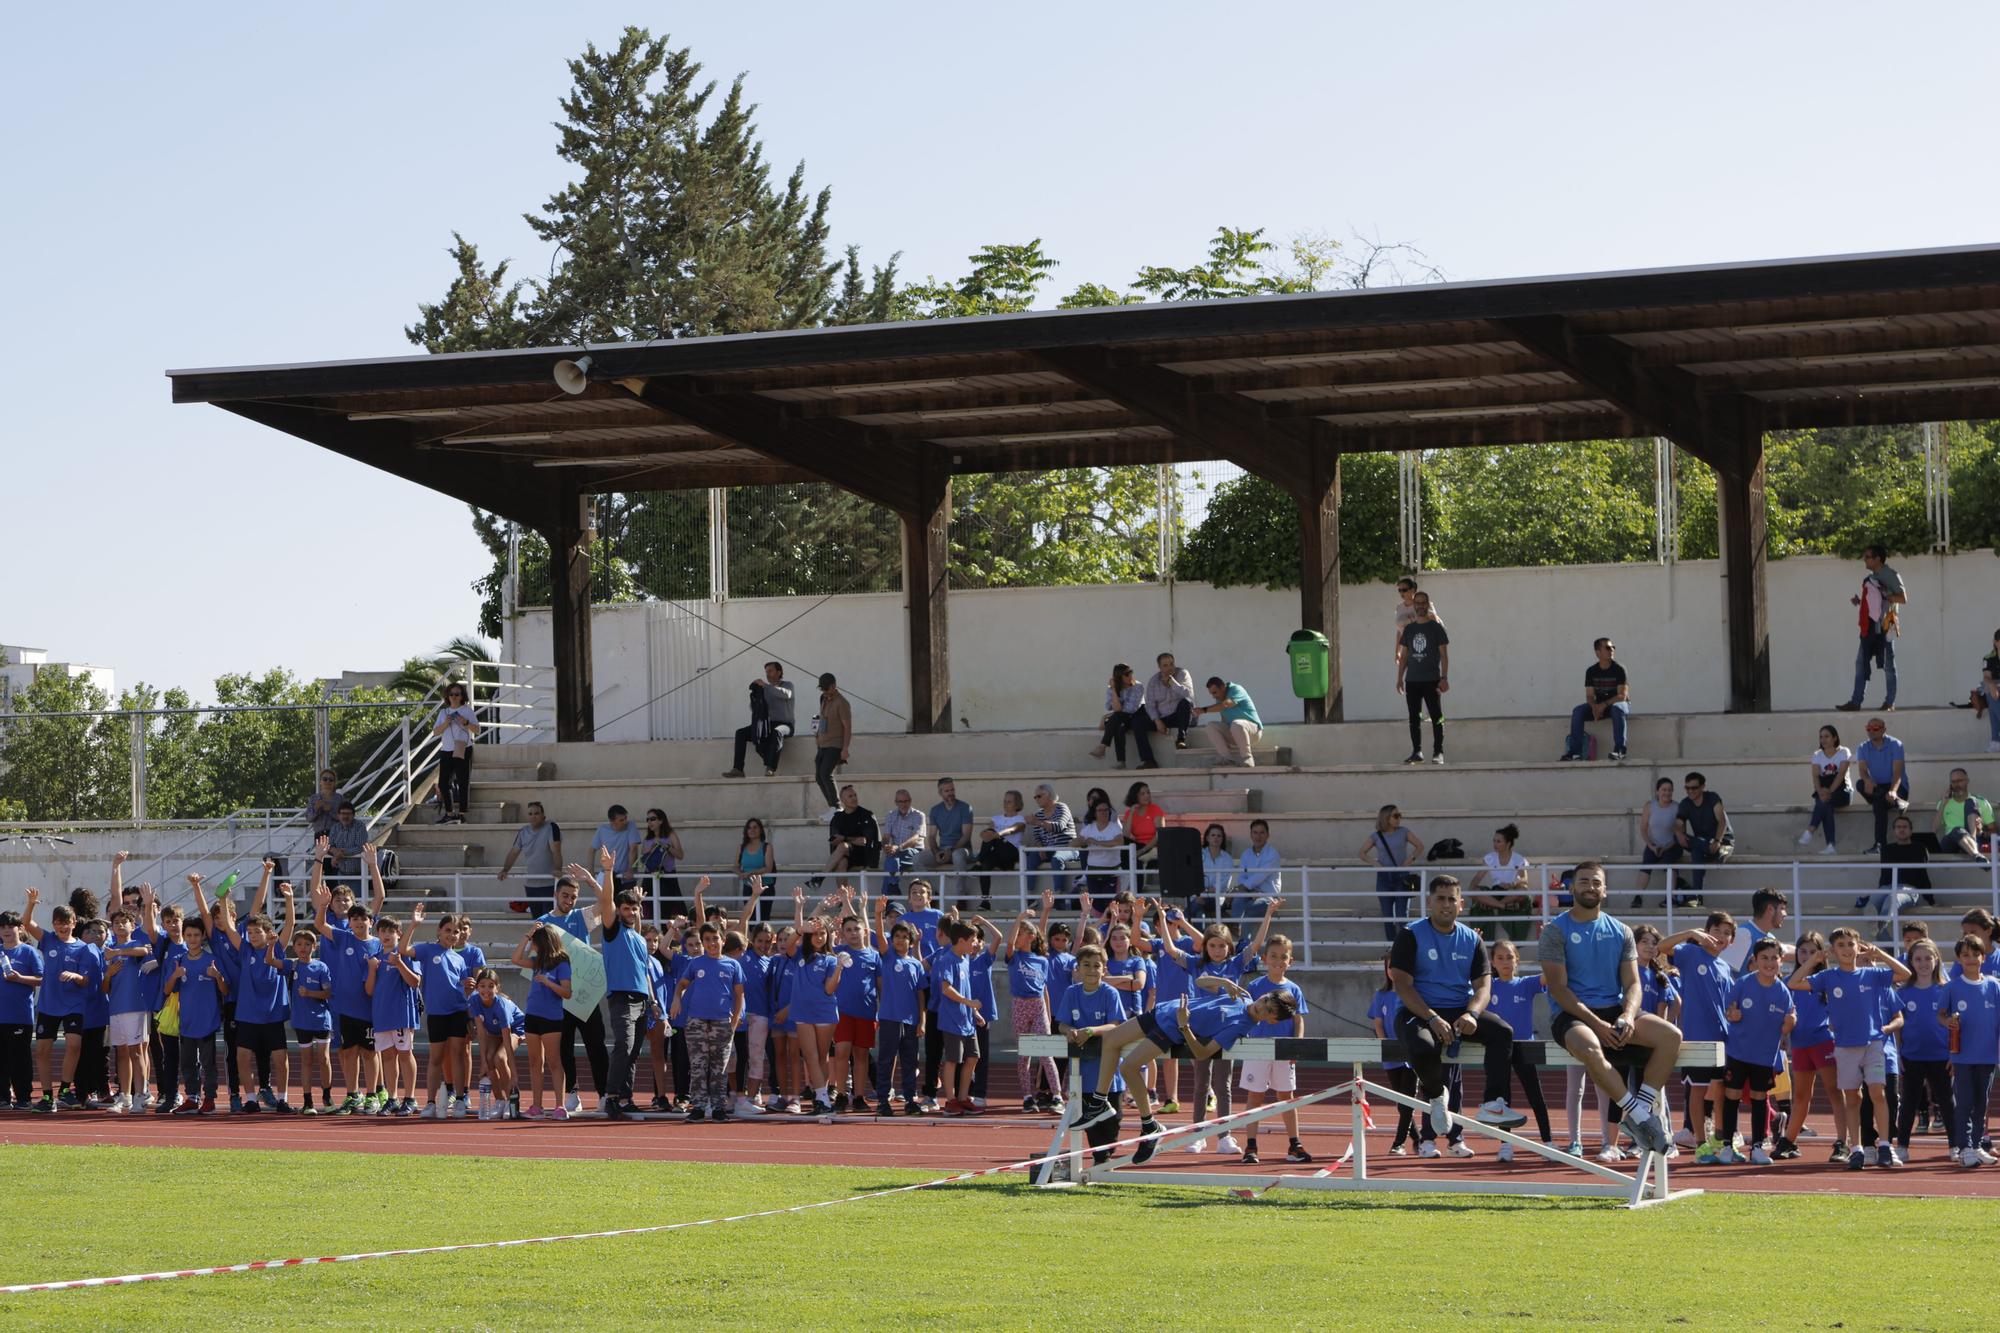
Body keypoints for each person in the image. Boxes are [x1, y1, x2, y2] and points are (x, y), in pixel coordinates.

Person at [1068, 977, 1296, 1164]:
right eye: (1265, 1000)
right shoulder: (1242, 995)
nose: (1261, 1006)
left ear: (1272, 1020)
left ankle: (1150, 1126)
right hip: (1163, 1012)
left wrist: (1184, 1026)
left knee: (1129, 1068)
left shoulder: (1240, 1027)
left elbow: (1203, 1053)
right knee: (1110, 1040)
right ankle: (1099, 1102)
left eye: (1268, 1010)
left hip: (1170, 1029)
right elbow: (1200, 981)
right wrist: (1223, 981)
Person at [1538, 861, 1681, 1157]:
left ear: (1605, 890)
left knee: (1671, 1036)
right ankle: (1641, 1118)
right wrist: (1597, 1025)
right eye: (1584, 881)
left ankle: (1639, 1114)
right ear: (1572, 887)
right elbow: (1558, 989)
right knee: (1591, 1048)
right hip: (1572, 1015)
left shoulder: (1620, 931)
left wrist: (1627, 1015)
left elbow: (1633, 984)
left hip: (1614, 1009)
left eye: (1596, 882)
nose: (1590, 886)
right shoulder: (1555, 931)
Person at [1388, 875, 1527, 1155]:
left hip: (1459, 1009)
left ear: (1461, 904)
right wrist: (1431, 1017)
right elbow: (1401, 983)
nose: (1446, 904)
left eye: (1452, 899)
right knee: (1423, 1046)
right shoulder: (1410, 934)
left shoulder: (1471, 939)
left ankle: (1492, 1104)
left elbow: (1483, 986)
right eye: (1440, 898)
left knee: (1503, 1033)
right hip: (1417, 1009)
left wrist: (1473, 1014)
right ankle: (1438, 1096)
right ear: (1429, 902)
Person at [1788, 927, 1913, 1169]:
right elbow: (1794, 982)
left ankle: (1885, 1145)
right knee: (1852, 1097)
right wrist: (1814, 960)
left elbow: (1905, 973)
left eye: (1850, 944)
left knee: (1877, 1092)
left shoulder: (1872, 974)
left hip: (1873, 1044)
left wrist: (1881, 954)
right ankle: (1855, 1148)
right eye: (1841, 945)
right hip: (1845, 1047)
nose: (1846, 949)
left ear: (1859, 946)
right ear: (1833, 951)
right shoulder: (1828, 977)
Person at [582, 846, 650, 1120]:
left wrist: (653, 1002)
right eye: (626, 908)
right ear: (618, 911)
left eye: (634, 908)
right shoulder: (613, 930)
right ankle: (611, 1098)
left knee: (633, 1051)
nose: (631, 912)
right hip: (621, 997)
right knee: (623, 1045)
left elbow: (644, 968)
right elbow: (608, 900)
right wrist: (608, 871)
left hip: (643, 999)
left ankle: (626, 1097)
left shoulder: (639, 936)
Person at [1662, 912, 1735, 1159]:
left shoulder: (1725, 967)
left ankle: (1721, 1140)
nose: (1721, 937)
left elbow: (1729, 1005)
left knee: (1722, 1091)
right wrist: (1690, 934)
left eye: (1727, 933)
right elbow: (1663, 947)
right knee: (1697, 1091)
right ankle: (1700, 1142)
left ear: (1731, 941)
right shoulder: (1691, 954)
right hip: (1696, 1037)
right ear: (1706, 932)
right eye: (1716, 930)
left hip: (1722, 1040)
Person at [20, 889, 97, 1112]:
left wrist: (75, 976)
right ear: (54, 924)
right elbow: (27, 923)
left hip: (73, 1005)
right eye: (58, 923)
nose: (62, 927)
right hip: (49, 1005)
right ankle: (46, 1097)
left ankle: (64, 1091)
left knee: (74, 1045)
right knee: (43, 1050)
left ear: (74, 923)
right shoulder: (49, 940)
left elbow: (85, 981)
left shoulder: (83, 949)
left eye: (67, 922)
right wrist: (31, 903)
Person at [1239, 933, 1313, 1165]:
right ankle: (1251, 1146)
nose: (1278, 961)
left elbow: (1299, 1019)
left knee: (1286, 1096)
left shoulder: (1294, 989)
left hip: (1283, 1049)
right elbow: (1247, 1014)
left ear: (1290, 961)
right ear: (1264, 958)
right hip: (1258, 1048)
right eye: (1273, 956)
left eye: (1284, 957)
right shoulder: (1255, 986)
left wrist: (1297, 1044)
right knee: (1255, 1095)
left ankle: (1294, 1144)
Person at [1719, 938, 1794, 1164]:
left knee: (1759, 1099)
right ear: (1755, 960)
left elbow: (1789, 1019)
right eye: (1764, 958)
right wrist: (1734, 1015)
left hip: (1764, 1056)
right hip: (1738, 1052)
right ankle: (1727, 1146)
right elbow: (1729, 1010)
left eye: (1774, 958)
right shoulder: (1743, 984)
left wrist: (1789, 1024)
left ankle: (1758, 1147)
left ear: (1781, 961)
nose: (1769, 962)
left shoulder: (1782, 992)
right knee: (1731, 1096)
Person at [537, 873, 604, 1114]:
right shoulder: (543, 922)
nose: (569, 900)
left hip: (586, 994)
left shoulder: (581, 916)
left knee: (595, 1044)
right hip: (558, 995)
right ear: (556, 895)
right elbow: (537, 957)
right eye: (565, 895)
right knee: (563, 1047)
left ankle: (603, 1093)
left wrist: (592, 881)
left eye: (574, 897)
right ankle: (572, 1092)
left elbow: (607, 904)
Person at [668, 922, 746, 1123]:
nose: (712, 943)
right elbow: (682, 985)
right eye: (707, 940)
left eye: (715, 938)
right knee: (698, 1066)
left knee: (719, 1068)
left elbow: (739, 996)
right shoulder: (695, 964)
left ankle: (718, 1107)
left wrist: (735, 1021)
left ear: (723, 939)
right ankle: (699, 1107)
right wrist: (677, 999)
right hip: (696, 1022)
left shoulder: (733, 965)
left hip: (722, 1022)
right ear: (703, 942)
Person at [1484, 938, 1552, 1160]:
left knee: (1536, 1096)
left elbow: (1550, 975)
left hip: (1524, 1047)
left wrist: (1551, 946)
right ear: (1492, 962)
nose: (1505, 962)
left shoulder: (1526, 984)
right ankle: (1506, 1145)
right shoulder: (1487, 987)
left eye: (1509, 957)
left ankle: (1548, 1143)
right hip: (1499, 1050)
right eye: (1500, 958)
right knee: (1502, 1099)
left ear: (1517, 961)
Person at [404, 903, 472, 1118]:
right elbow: (403, 950)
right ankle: (431, 1102)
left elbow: (463, 988)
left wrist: (468, 987)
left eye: (456, 931)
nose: (452, 934)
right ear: (439, 932)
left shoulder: (460, 959)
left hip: (458, 1012)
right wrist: (413, 924)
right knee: (435, 1059)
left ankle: (460, 1099)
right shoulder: (427, 949)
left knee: (458, 1056)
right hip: (436, 1014)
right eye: (448, 930)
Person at [1943, 935, 2000, 1167]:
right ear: (1959, 959)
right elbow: (1941, 1014)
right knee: (1964, 1103)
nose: (1971, 959)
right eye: (1965, 955)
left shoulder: (1994, 986)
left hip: (1987, 1055)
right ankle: (1964, 1147)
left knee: (1981, 1104)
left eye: (1975, 954)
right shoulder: (1952, 986)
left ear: (1983, 957)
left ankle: (1976, 1145)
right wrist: (1947, 1022)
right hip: (1963, 1056)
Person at [1893, 937, 1953, 1161]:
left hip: (1941, 1056)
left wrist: (1954, 1054)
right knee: (1909, 1102)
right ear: (1911, 962)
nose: (1923, 963)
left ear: (1937, 960)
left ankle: (1955, 1145)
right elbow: (1898, 1027)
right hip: (1912, 1056)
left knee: (1947, 1102)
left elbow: (1955, 1024)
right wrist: (1899, 1054)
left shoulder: (1946, 990)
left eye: (1928, 958)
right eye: (1918, 959)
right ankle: (1903, 1147)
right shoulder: (1903, 992)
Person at [1002, 908, 1063, 1114]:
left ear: (1030, 936)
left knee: (1046, 1053)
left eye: (1020, 933)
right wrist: (1018, 918)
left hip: (1038, 1006)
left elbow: (1044, 988)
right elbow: (1009, 944)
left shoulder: (1042, 960)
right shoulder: (1014, 957)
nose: (1017, 938)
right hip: (1020, 1004)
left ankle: (1057, 1096)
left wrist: (1048, 1011)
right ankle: (1028, 1097)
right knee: (1024, 1055)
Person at [163, 916, 225, 1115]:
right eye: (188, 935)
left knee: (208, 1063)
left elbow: (225, 990)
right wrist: (174, 975)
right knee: (188, 1062)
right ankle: (192, 1097)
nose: (192, 938)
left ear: (203, 936)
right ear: (184, 936)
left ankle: (210, 1099)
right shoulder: (178, 961)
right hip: (186, 1021)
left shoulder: (212, 961)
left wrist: (217, 976)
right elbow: (167, 990)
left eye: (196, 935)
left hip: (207, 1021)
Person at [511, 923, 573, 1120]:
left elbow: (567, 993)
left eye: (536, 942)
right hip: (533, 1015)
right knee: (535, 1062)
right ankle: (536, 1105)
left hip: (552, 1018)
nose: (533, 946)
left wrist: (548, 982)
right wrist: (528, 935)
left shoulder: (562, 962)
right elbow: (516, 958)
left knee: (554, 1062)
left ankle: (560, 1105)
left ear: (544, 942)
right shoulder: (537, 961)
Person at [363, 916, 422, 1116]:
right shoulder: (375, 957)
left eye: (391, 931)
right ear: (378, 934)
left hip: (401, 1013)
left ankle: (411, 1098)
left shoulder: (405, 954)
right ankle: (392, 1098)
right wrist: (371, 970)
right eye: (383, 931)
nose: (386, 935)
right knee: (388, 1056)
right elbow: (369, 990)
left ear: (399, 934)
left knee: (405, 1054)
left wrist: (399, 964)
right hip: (381, 1014)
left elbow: (415, 982)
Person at [1837, 544, 1906, 713]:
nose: (1865, 560)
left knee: (1888, 665)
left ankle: (1890, 702)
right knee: (1861, 662)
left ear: (1877, 559)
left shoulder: (1890, 575)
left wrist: (1885, 595)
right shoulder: (1872, 576)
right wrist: (1861, 602)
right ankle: (1855, 702)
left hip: (1886, 625)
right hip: (1870, 627)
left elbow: (1903, 598)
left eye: (1867, 557)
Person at [284, 925, 334, 1115]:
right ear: (294, 947)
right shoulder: (292, 965)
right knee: (306, 1060)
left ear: (314, 947)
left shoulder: (321, 967)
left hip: (321, 1020)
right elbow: (271, 961)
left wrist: (310, 993)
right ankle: (307, 1101)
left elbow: (328, 992)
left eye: (307, 944)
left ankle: (327, 1097)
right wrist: (272, 944)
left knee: (324, 1058)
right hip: (301, 1020)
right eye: (299, 944)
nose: (303, 947)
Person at [1395, 590, 1448, 765]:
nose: (1420, 606)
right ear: (1414, 605)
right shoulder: (1409, 629)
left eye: (1423, 602)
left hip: (1432, 680)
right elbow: (1404, 656)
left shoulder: (1436, 628)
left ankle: (1438, 752)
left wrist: (1444, 677)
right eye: (1417, 603)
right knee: (1414, 717)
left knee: (1436, 717)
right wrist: (1399, 678)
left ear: (1427, 604)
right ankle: (1417, 751)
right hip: (1412, 682)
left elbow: (1444, 655)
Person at [467, 967, 525, 1120]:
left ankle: (509, 1099)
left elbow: (506, 1040)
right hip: (493, 1031)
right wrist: (483, 1062)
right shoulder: (474, 1000)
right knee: (489, 1059)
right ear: (477, 987)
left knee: (499, 1058)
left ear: (497, 988)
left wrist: (514, 1074)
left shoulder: (501, 1005)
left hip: (515, 1029)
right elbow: (480, 1032)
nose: (486, 990)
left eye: (491, 986)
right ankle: (499, 1100)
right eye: (482, 986)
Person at [1360, 806, 1423, 943]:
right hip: (1384, 878)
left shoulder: (1404, 832)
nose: (1399, 818)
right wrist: (1375, 863)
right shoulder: (1377, 836)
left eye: (1400, 815)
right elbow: (1362, 853)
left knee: (1402, 916)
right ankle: (1391, 947)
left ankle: (1405, 946)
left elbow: (1420, 846)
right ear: (1386, 818)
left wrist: (1410, 859)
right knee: (1387, 916)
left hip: (1402, 877)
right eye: (1396, 816)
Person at [724, 661, 795, 778]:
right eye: (766, 672)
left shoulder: (787, 685)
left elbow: (786, 694)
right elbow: (755, 709)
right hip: (768, 725)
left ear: (779, 672)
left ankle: (771, 768)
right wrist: (755, 697)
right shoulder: (765, 690)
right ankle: (738, 769)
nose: (768, 674)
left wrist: (765, 686)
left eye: (771, 671)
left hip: (785, 725)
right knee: (741, 733)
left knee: (777, 732)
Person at [1562, 637, 1629, 762]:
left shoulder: (1619, 669)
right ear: (1597, 652)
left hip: (1617, 704)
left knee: (1617, 709)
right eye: (1608, 648)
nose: (1612, 650)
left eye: (1613, 647)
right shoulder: (1591, 671)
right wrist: (1594, 707)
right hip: (1600, 706)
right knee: (1578, 711)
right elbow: (1589, 696)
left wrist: (1603, 705)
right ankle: (1575, 753)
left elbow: (1622, 696)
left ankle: (1620, 750)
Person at [1852, 717, 1909, 854]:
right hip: (1877, 787)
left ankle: (1880, 845)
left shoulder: (1896, 744)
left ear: (1884, 729)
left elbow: (1897, 772)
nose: (1871, 731)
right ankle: (1898, 803)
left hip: (1896, 786)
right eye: (1868, 729)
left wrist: (1893, 791)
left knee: (1878, 803)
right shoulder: (1862, 747)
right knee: (1860, 783)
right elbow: (1863, 771)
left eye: (1875, 729)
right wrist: (1867, 780)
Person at [1467, 823, 1533, 942]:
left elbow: (1524, 881)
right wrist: (1473, 887)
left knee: (1523, 891)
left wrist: (1511, 884)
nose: (1495, 844)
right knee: (1473, 891)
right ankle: (1501, 906)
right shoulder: (1490, 858)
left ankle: (1494, 904)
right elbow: (1477, 878)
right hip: (1495, 892)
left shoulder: (1518, 859)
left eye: (1498, 841)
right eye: (1494, 841)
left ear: (1508, 843)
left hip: (1511, 893)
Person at [500, 801, 563, 916]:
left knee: (549, 923)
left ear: (543, 816)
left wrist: (558, 869)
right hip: (531, 885)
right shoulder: (523, 832)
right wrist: (505, 869)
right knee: (537, 922)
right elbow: (514, 852)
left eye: (536, 813)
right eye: (530, 814)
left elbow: (556, 851)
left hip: (549, 885)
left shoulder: (551, 827)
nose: (533, 816)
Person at [1090, 663, 1157, 770]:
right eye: (1126, 674)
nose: (1130, 676)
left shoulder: (1138, 686)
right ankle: (1121, 762)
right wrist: (1114, 691)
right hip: (1123, 719)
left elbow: (1131, 709)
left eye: (1131, 672)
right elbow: (1109, 706)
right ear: (1119, 677)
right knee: (1119, 724)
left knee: (1116, 718)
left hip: (1138, 716)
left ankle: (1103, 746)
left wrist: (1107, 717)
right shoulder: (1112, 688)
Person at [1674, 772, 1729, 903]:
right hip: (1703, 843)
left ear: (1703, 786)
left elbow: (1722, 821)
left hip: (1722, 841)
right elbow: (1678, 824)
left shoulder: (1712, 798)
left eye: (1694, 788)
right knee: (1680, 839)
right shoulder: (1685, 803)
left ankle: (1696, 896)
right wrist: (1679, 833)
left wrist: (1717, 841)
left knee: (1696, 852)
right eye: (1687, 788)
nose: (1690, 791)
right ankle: (1697, 896)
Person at [1631, 778, 1685, 909]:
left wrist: (1667, 846)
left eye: (1670, 790)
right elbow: (1643, 829)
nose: (1667, 793)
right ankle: (1638, 897)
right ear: (1657, 791)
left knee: (1669, 863)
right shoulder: (1649, 806)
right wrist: (1651, 845)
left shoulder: (1677, 807)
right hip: (1654, 844)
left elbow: (1681, 833)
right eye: (1664, 790)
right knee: (1646, 863)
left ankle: (1669, 898)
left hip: (1672, 845)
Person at [1799, 726, 1852, 855]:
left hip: (1842, 791)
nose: (1823, 739)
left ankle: (1811, 830)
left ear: (1835, 738)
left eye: (1827, 736)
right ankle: (1830, 846)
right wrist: (1821, 791)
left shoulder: (1844, 752)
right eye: (1821, 736)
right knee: (1826, 804)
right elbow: (1816, 776)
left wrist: (1828, 792)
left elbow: (1841, 775)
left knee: (1824, 802)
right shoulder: (1817, 754)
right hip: (1823, 790)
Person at [972, 790, 1027, 914]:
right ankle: (985, 901)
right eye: (1005, 801)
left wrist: (998, 834)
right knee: (986, 865)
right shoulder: (996, 818)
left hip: (1011, 853)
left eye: (1009, 801)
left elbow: (1013, 829)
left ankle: (978, 862)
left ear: (1017, 803)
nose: (1006, 803)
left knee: (993, 838)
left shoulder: (1020, 819)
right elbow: (988, 831)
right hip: (997, 854)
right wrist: (989, 834)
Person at [1025, 784, 1080, 909]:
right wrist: (1040, 847)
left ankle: (1058, 896)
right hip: (1048, 849)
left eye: (1039, 796)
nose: (1036, 799)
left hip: (1067, 848)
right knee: (1031, 857)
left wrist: (1037, 823)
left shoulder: (1062, 807)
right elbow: (1037, 836)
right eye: (1035, 797)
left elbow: (1059, 826)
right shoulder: (1039, 814)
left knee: (1057, 858)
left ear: (1049, 795)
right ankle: (1030, 896)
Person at [431, 681, 478, 824]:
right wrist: (446, 723)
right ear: (448, 696)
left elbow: (477, 730)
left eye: (457, 694)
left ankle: (462, 814)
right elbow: (435, 732)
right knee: (443, 783)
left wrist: (465, 722)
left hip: (463, 748)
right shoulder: (443, 712)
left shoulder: (467, 710)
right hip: (446, 750)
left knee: (463, 781)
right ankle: (450, 814)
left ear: (462, 695)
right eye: (451, 694)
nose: (454, 697)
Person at [1874, 815, 1931, 928]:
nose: (1901, 829)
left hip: (1909, 890)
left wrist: (1930, 899)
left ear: (1910, 830)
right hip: (1889, 887)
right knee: (1872, 902)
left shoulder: (1919, 848)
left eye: (1905, 827)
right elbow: (1884, 874)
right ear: (1894, 830)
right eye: (1898, 827)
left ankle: (1880, 926)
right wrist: (1881, 890)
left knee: (1891, 899)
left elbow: (1923, 874)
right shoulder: (1886, 849)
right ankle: (1880, 931)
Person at [1193, 676, 1263, 769]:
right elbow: (1224, 720)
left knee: (1236, 723)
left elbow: (1226, 704)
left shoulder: (1236, 689)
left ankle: (1247, 758)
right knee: (1211, 726)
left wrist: (1204, 710)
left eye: (1215, 692)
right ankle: (1227, 759)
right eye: (1211, 694)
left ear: (1222, 687)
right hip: (1236, 733)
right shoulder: (1219, 699)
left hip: (1253, 732)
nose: (1214, 696)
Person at [925, 778, 974, 904]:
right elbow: (931, 836)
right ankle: (932, 893)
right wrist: (936, 852)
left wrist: (950, 852)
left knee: (958, 856)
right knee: (917, 859)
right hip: (942, 849)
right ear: (940, 793)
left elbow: (966, 836)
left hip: (962, 849)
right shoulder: (935, 810)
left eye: (952, 789)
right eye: (947, 791)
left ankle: (961, 897)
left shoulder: (965, 808)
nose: (951, 793)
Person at [1719, 888, 1792, 973]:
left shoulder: (1770, 938)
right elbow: (1724, 973)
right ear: (1770, 909)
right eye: (1782, 908)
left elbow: (1787, 950)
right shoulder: (1744, 934)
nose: (1785, 914)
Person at [823, 785, 881, 883]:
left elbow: (865, 841)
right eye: (850, 796)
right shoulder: (838, 818)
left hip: (864, 854)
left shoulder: (866, 815)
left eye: (855, 795)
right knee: (841, 863)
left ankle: (820, 877)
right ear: (842, 800)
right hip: (846, 854)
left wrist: (844, 838)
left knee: (843, 846)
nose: (854, 798)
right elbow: (833, 840)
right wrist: (851, 840)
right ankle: (844, 898)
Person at [1074, 798, 1129, 898]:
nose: (1104, 812)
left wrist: (1096, 842)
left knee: (1111, 904)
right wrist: (1082, 842)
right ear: (1095, 813)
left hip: (1112, 874)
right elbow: (1073, 843)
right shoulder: (1089, 828)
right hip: (1093, 873)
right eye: (1100, 810)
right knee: (1095, 904)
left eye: (1106, 810)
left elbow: (1119, 841)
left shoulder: (1115, 827)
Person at [1935, 768, 1993, 862]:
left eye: (1959, 781)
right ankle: (1976, 854)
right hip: (1951, 842)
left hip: (1973, 838)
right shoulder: (1943, 803)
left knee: (1971, 801)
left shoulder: (1981, 802)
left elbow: (1993, 830)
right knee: (1956, 830)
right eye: (1953, 782)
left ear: (1967, 781)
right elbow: (1934, 828)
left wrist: (1981, 831)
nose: (1957, 785)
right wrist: (1943, 803)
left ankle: (1972, 843)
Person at [813, 672, 852, 812]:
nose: (824, 692)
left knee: (825, 773)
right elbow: (820, 718)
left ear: (834, 686)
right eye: (822, 689)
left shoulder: (842, 703)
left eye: (826, 689)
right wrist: (817, 735)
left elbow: (848, 727)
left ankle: (836, 806)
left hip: (835, 745)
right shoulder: (823, 699)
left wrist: (845, 748)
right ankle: (832, 806)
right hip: (822, 745)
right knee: (818, 777)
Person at [1145, 652, 1196, 751]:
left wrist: (1172, 682)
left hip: (1182, 717)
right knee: (1138, 722)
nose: (1169, 668)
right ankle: (1148, 759)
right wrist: (1157, 721)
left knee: (1185, 702)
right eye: (1165, 665)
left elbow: (1188, 694)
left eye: (1171, 664)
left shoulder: (1183, 674)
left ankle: (1181, 739)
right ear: (1159, 667)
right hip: (1163, 718)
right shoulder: (1153, 681)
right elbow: (1150, 704)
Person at [880, 790, 927, 895]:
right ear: (896, 802)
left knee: (891, 860)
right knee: (890, 859)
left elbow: (915, 839)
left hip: (915, 851)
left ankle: (889, 891)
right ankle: (892, 888)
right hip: (896, 851)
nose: (903, 804)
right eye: (900, 801)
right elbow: (886, 837)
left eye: (906, 801)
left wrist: (898, 847)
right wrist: (886, 846)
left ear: (910, 801)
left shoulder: (919, 815)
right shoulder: (890, 816)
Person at [1234, 820, 1282, 920]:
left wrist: (1246, 887)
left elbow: (1260, 876)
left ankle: (1236, 930)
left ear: (1267, 835)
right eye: (1255, 832)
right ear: (1251, 835)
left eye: (1261, 833)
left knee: (1248, 908)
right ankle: (1235, 927)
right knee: (1238, 901)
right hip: (1249, 894)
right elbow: (1241, 877)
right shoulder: (1246, 854)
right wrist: (1248, 890)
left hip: (1268, 897)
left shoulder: (1272, 854)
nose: (1258, 836)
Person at [590, 806, 643, 891]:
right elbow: (591, 850)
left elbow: (633, 849)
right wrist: (591, 871)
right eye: (621, 820)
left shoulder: (631, 825)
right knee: (608, 903)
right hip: (608, 876)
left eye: (626, 818)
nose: (625, 822)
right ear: (612, 821)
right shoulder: (602, 829)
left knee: (627, 903)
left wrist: (630, 869)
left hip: (626, 877)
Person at [1121, 782, 1167, 872]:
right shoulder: (1129, 813)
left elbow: (1160, 835)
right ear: (1135, 796)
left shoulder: (1155, 809)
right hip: (1138, 846)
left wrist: (1142, 851)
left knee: (1134, 857)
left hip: (1154, 847)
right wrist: (1131, 813)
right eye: (1142, 794)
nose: (1147, 796)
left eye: (1148, 792)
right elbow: (1125, 836)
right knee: (1122, 842)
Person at [1199, 824, 1235, 922]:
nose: (1216, 838)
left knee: (1197, 908)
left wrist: (1211, 890)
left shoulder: (1228, 859)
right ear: (1207, 838)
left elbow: (1225, 882)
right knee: (1198, 912)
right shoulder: (1198, 855)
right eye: (1213, 835)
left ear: (1222, 839)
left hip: (1218, 898)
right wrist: (1203, 891)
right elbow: (1195, 877)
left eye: (1219, 836)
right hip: (1200, 895)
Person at [735, 817, 777, 901]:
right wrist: (740, 873)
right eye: (749, 828)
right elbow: (735, 866)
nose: (752, 830)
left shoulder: (767, 847)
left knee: (763, 914)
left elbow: (768, 868)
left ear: (760, 830)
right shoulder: (741, 847)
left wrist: (750, 873)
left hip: (765, 887)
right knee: (749, 913)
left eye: (755, 827)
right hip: (748, 887)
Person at [306, 768, 348, 839]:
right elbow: (309, 818)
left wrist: (331, 810)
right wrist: (316, 809)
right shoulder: (313, 798)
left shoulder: (340, 799)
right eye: (325, 779)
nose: (327, 781)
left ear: (334, 783)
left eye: (331, 780)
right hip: (319, 835)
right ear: (320, 782)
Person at [1981, 628, 2000, 753]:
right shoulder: (1989, 658)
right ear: (1995, 642)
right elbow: (1986, 677)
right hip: (1995, 689)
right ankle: (1995, 741)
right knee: (1988, 688)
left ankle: (1995, 741)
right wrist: (1993, 685)